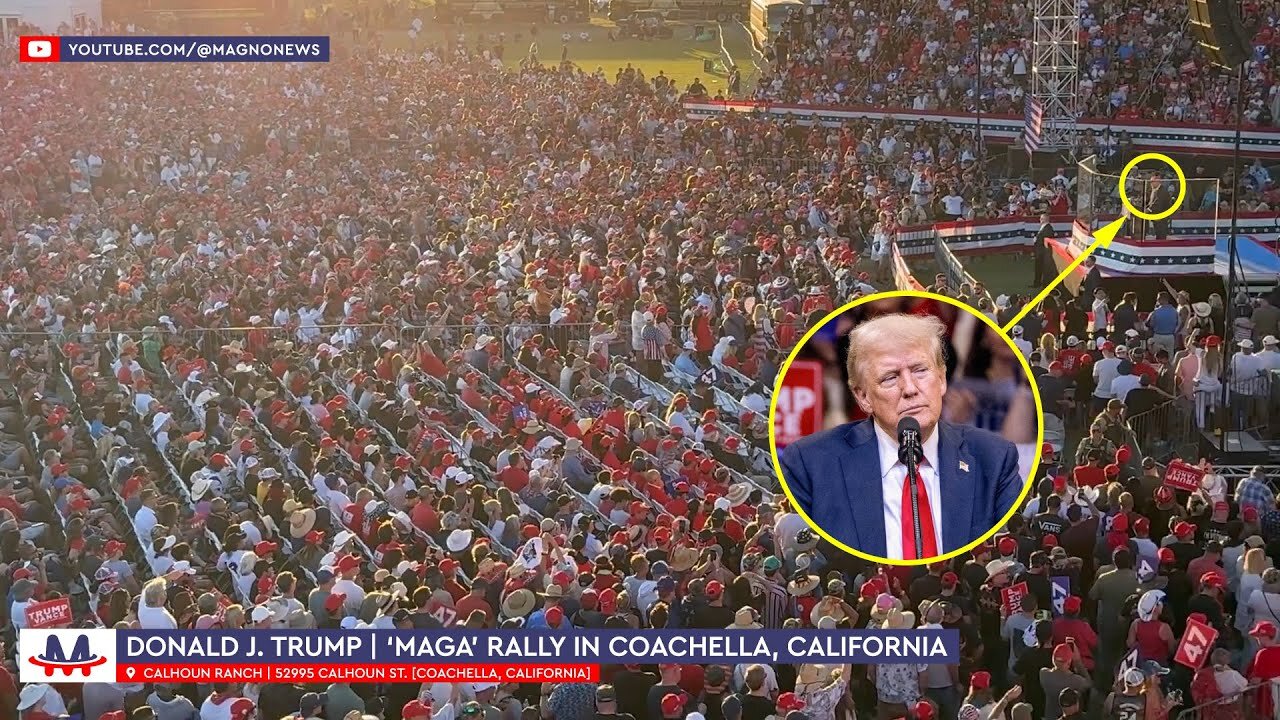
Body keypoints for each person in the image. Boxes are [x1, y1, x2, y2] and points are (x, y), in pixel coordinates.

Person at [778, 313, 1023, 560]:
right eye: (890, 377)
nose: (910, 389)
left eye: (920, 371)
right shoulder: (810, 465)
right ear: (863, 397)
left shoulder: (995, 459)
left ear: (941, 380)